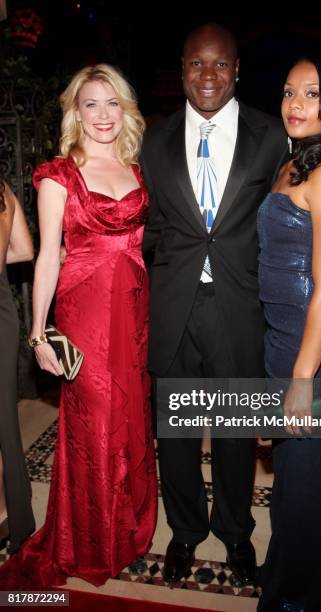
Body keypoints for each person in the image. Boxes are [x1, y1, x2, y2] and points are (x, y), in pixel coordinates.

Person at [141, 22, 288, 585]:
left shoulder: (271, 137)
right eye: (197, 64)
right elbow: (150, 224)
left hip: (241, 305)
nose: (208, 75)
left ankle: (235, 532)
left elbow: (286, 213)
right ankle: (184, 532)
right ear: (181, 70)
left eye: (220, 64)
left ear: (237, 70)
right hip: (175, 306)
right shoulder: (153, 141)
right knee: (176, 435)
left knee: (234, 433)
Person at [0, 64, 157, 587]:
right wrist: (38, 333)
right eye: (91, 104)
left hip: (134, 312)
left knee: (131, 418)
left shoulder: (137, 167)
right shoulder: (58, 175)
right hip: (84, 313)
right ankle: (89, 539)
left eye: (112, 102)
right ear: (75, 112)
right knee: (95, 425)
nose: (103, 114)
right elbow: (46, 258)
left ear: (125, 109)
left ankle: (126, 528)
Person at [257, 56, 321, 611]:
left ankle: (300, 595)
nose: (295, 103)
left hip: (314, 345)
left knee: (301, 480)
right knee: (311, 470)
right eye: (288, 91)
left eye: (311, 93)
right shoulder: (292, 163)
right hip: (284, 331)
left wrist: (301, 378)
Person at [0, 178, 35, 554]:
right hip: (3, 313)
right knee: (4, 423)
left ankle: (4, 514)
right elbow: (23, 250)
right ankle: (13, 515)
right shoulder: (4, 189)